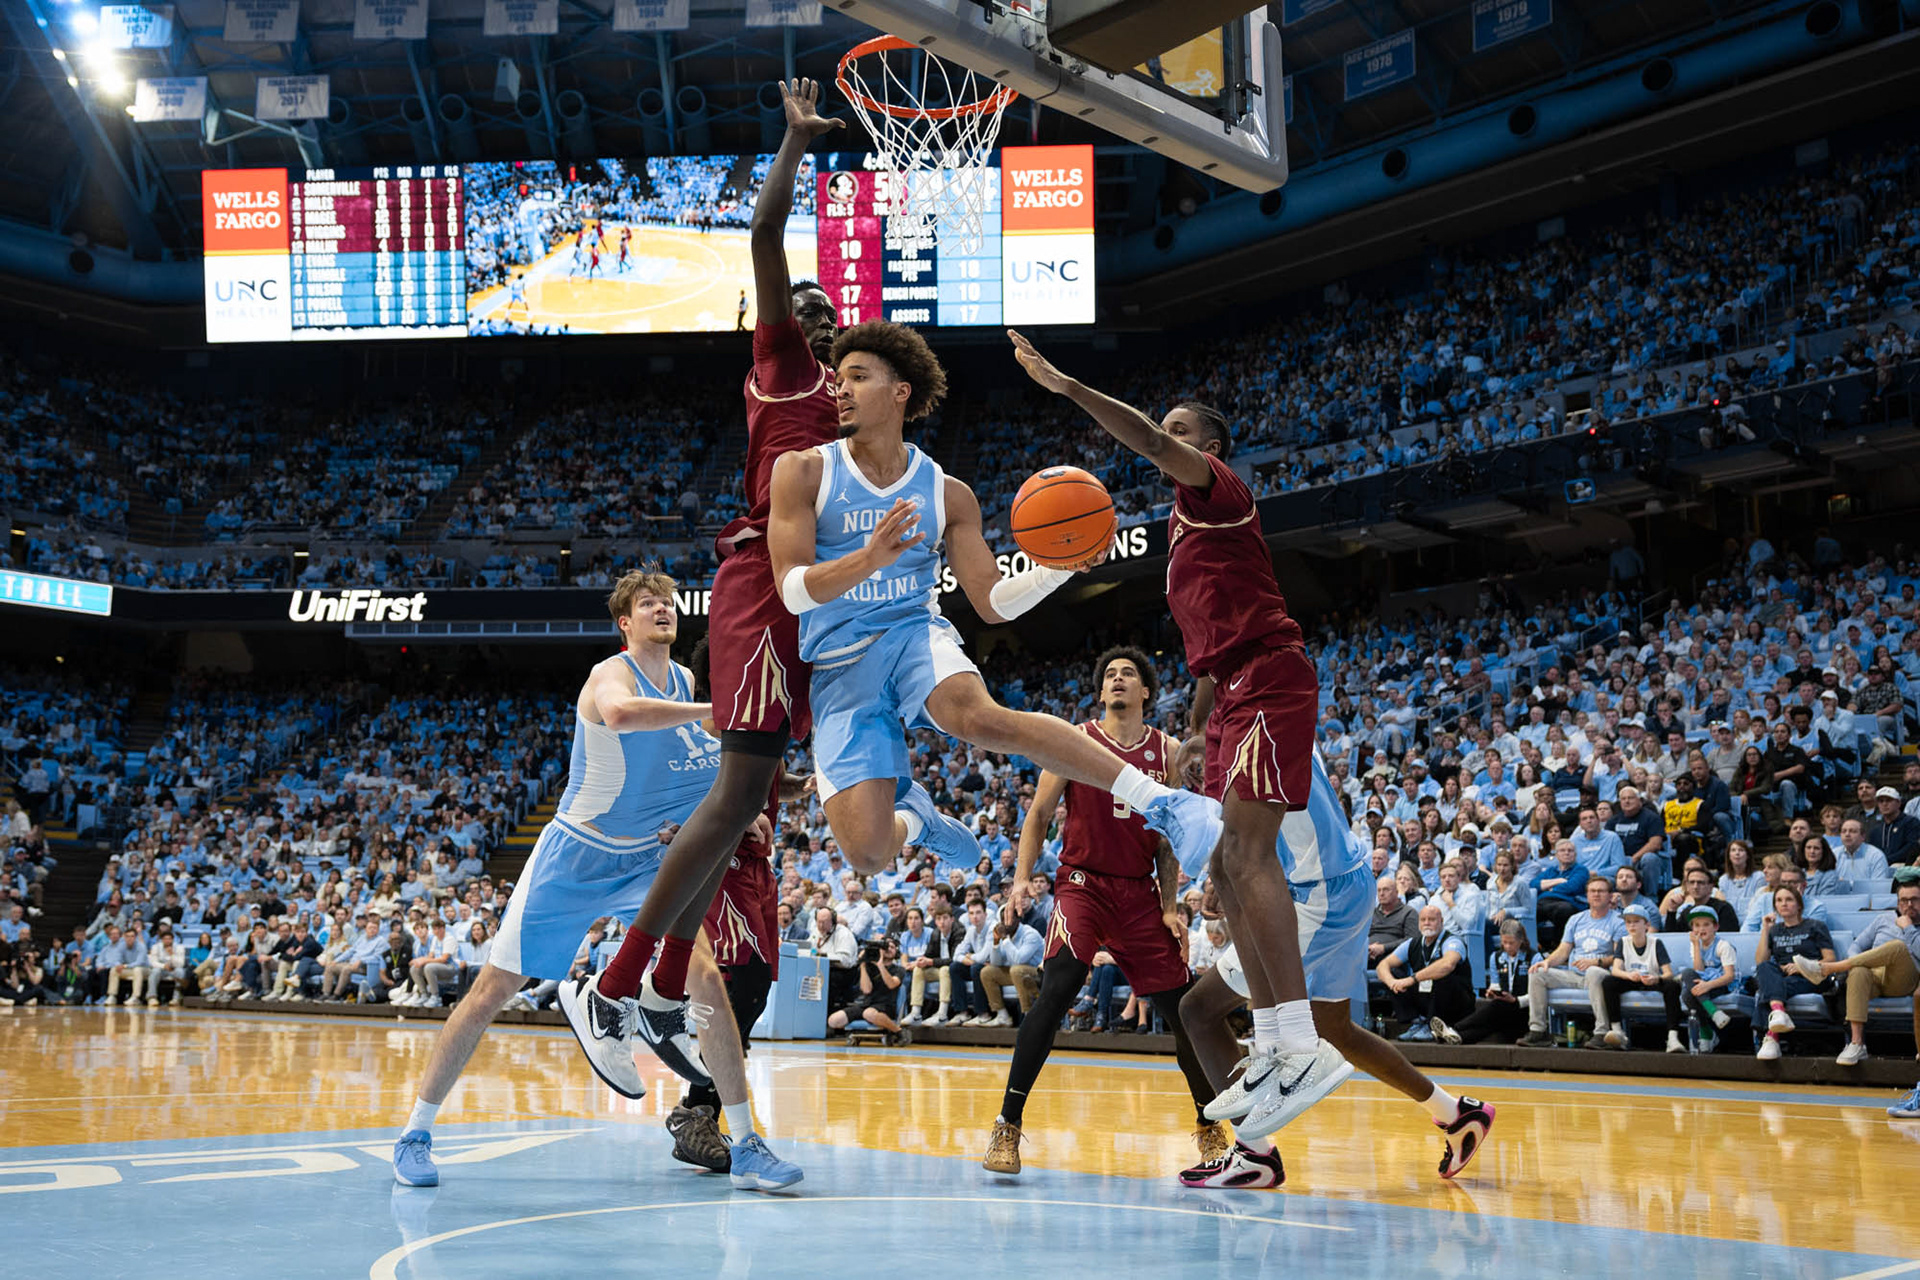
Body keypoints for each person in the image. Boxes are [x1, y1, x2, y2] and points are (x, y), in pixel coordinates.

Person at [1013, 330, 1348, 1138]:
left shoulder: (1218, 491)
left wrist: (1068, 388)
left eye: (1180, 431)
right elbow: (1212, 629)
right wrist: (1200, 720)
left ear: (1211, 448)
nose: (1168, 442)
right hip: (1232, 690)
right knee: (1223, 872)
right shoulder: (1180, 533)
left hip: (1268, 676)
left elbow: (1152, 440)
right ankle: (1269, 1044)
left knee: (1243, 856)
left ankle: (1301, 1043)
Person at [579, 80, 849, 1067]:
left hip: (801, 605)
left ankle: (650, 985)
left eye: (828, 313)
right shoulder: (785, 369)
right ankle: (617, 983)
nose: (815, 317)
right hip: (754, 583)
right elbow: (769, 237)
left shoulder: (847, 422)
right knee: (737, 797)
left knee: (750, 799)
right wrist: (792, 143)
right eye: (805, 309)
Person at [393, 571, 801, 1193]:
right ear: (626, 624)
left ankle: (745, 1143)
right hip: (578, 856)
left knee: (708, 977)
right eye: (647, 603)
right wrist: (713, 713)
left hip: (648, 860)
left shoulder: (688, 681)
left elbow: (706, 769)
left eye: (667, 599)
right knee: (492, 990)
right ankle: (416, 1132)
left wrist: (758, 811)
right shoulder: (610, 674)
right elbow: (621, 715)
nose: (661, 608)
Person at [766, 325, 1216, 875]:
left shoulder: (945, 492)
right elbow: (790, 589)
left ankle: (1165, 804)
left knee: (977, 718)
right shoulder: (804, 469)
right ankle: (923, 821)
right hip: (838, 662)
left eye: (858, 378)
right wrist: (869, 558)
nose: (840, 390)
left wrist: (1058, 569)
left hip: (912, 634)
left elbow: (992, 603)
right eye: (838, 380)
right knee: (867, 854)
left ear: (901, 391)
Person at [1178, 745, 1495, 1185]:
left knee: (1198, 1010)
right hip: (1345, 881)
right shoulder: (1272, 715)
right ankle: (1455, 1112)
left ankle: (1254, 1154)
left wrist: (1224, 871)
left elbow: (1250, 828)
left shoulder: (1251, 722)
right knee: (1333, 1027)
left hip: (1317, 892)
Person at [985, 649, 1222, 1178]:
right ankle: (1007, 1124)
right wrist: (1023, 878)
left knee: (1183, 1011)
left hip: (1139, 895)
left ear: (1145, 693)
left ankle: (1210, 1131)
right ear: (1101, 693)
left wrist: (1167, 907)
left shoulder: (1168, 751)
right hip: (1082, 885)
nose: (1117, 680)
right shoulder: (1075, 741)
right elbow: (1039, 815)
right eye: (1109, 675)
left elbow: (1167, 839)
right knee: (1060, 983)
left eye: (1128, 674)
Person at [1789, 872, 1920, 1065]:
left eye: (1914, 900)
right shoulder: (1883, 919)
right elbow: (1857, 946)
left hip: (1904, 980)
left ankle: (1829, 968)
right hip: (1874, 978)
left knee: (1897, 947)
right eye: (1904, 900)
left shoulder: (1910, 925)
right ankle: (1857, 1043)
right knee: (1858, 970)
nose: (1908, 905)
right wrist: (1855, 960)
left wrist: (1908, 928)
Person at [1518, 876, 1624, 1047]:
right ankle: (1539, 1031)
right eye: (1592, 891)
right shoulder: (1576, 920)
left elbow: (1620, 955)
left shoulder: (1618, 921)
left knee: (1593, 972)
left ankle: (1602, 1032)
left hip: (1603, 974)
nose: (1596, 894)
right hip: (1574, 975)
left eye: (1601, 891)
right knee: (1537, 972)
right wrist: (1548, 962)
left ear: (1610, 896)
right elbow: (1563, 950)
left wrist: (1596, 962)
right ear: (1587, 895)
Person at [1751, 883, 1837, 1061]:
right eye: (1779, 900)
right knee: (1765, 969)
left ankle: (1770, 1038)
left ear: (1799, 905)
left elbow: (1830, 960)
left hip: (1811, 976)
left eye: (1789, 899)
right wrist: (1765, 930)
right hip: (1784, 976)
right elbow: (1761, 960)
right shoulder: (1775, 930)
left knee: (1765, 992)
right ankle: (1778, 1013)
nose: (1783, 904)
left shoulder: (1815, 926)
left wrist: (1802, 966)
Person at [1375, 905, 1474, 1043]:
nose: (1427, 923)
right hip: (1426, 996)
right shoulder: (1413, 943)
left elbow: (1447, 964)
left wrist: (1412, 979)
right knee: (1392, 974)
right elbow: (1383, 966)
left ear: (1441, 921)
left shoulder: (1453, 940)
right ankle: (1417, 1022)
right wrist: (1392, 983)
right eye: (1423, 920)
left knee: (1441, 973)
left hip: (1458, 1001)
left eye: (1432, 919)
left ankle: (1432, 1026)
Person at [1595, 904, 1685, 1053]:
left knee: (1672, 986)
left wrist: (1656, 978)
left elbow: (1668, 973)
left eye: (1636, 921)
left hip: (1652, 979)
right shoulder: (1623, 942)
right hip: (1632, 979)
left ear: (1647, 925)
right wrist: (1629, 975)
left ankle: (1673, 1038)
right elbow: (1616, 970)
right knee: (1609, 982)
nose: (1631, 925)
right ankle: (1618, 1032)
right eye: (1628, 922)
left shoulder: (1656, 943)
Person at [1451, 920, 1540, 1045]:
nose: (1507, 947)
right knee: (1492, 1020)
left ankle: (1455, 1028)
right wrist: (1492, 992)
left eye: (1511, 943)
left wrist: (1516, 1001)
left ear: (1521, 940)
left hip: (1525, 1010)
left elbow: (1538, 994)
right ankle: (1458, 1037)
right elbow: (1495, 983)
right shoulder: (1496, 957)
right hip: (1505, 1010)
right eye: (1504, 942)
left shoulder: (1534, 958)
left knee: (1498, 1007)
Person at [1676, 905, 1741, 1054]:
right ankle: (1713, 1014)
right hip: (1704, 983)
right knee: (1687, 976)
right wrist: (1696, 947)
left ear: (1715, 927)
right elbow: (1699, 971)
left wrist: (1708, 986)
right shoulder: (1695, 945)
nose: (1701, 929)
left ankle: (1707, 1033)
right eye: (1697, 925)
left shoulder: (1723, 946)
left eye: (1706, 924)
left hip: (1722, 983)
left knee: (1688, 992)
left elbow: (1729, 976)